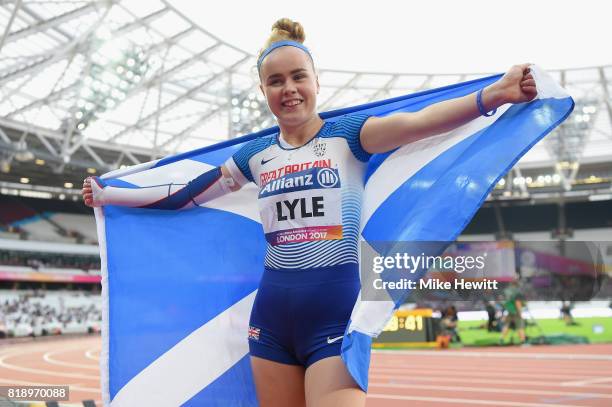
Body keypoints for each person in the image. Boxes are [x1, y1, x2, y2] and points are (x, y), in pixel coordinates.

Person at [82, 18, 537, 407]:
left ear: (317, 81)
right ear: (263, 90)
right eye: (276, 81)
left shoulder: (350, 135)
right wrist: (110, 196)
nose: (289, 89)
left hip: (335, 313)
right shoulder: (254, 155)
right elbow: (185, 195)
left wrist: (496, 94)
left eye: (298, 77)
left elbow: (421, 123)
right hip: (272, 320)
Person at [499, 280, 526, 345]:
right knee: (520, 326)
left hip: (509, 310)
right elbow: (517, 303)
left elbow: (502, 300)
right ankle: (523, 341)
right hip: (516, 311)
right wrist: (520, 313)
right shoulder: (516, 292)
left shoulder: (506, 291)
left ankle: (501, 339)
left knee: (506, 325)